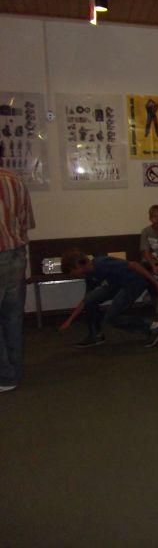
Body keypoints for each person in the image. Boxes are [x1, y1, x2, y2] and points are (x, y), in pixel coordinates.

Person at [59, 249, 158, 348]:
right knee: (90, 300)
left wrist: (156, 284)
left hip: (133, 282)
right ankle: (95, 335)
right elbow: (86, 300)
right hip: (116, 284)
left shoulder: (102, 263)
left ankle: (153, 327)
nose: (72, 275)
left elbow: (134, 265)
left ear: (77, 265)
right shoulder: (89, 275)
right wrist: (69, 321)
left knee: (111, 317)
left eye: (71, 271)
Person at [0, 168, 35, 392]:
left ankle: (4, 375)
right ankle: (13, 373)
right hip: (17, 254)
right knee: (13, 316)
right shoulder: (15, 181)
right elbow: (26, 223)